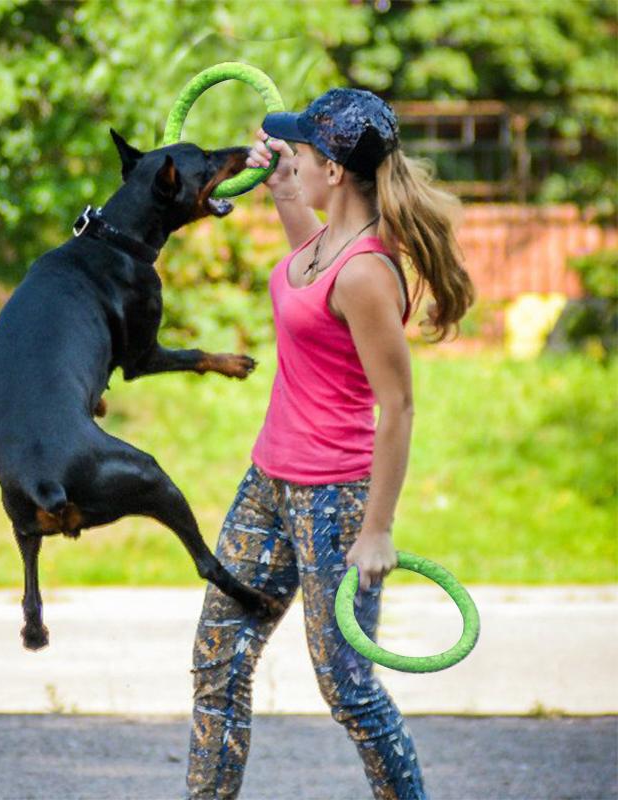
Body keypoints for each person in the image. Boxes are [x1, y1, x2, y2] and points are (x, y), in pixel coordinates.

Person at [184, 87, 475, 800]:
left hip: (333, 499)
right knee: (218, 662)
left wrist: (377, 531)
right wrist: (284, 192)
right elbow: (309, 286)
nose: (291, 157)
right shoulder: (325, 244)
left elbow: (399, 406)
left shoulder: (368, 271)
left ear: (336, 170)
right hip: (267, 482)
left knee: (347, 689)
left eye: (303, 152)